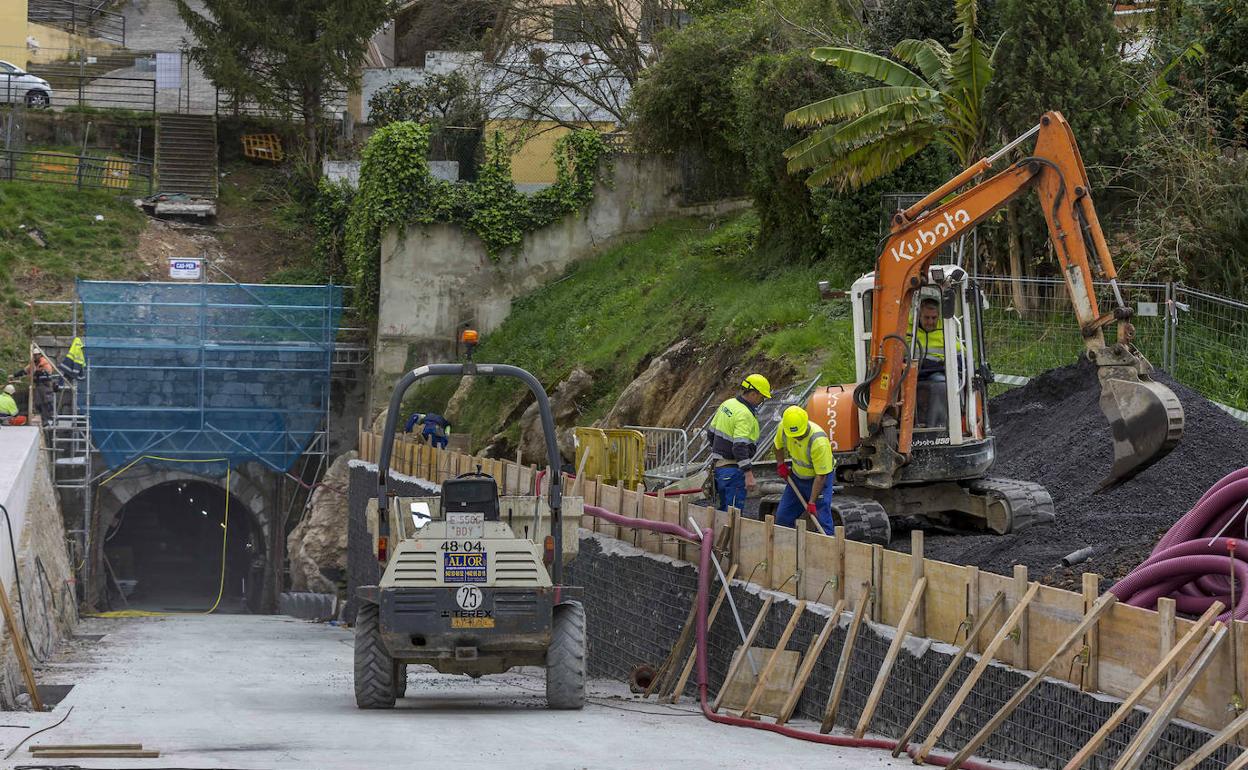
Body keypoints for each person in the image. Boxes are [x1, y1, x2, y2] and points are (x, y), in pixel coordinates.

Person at [706, 373, 770, 512]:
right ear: (753, 394)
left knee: (723, 511)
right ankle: (728, 534)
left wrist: (719, 453)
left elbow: (711, 433)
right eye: (762, 397)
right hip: (733, 470)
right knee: (733, 515)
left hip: (720, 468)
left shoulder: (728, 404)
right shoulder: (744, 414)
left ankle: (717, 534)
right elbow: (739, 446)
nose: (762, 400)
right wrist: (748, 474)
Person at [773, 406, 836, 534]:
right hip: (797, 477)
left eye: (800, 435)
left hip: (818, 480)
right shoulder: (785, 428)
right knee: (783, 517)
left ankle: (827, 548)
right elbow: (777, 445)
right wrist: (781, 464)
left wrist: (812, 502)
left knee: (821, 519)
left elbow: (821, 476)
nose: (797, 438)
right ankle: (786, 548)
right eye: (794, 436)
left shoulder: (818, 441)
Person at [910, 297, 962, 428]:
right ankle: (909, 425)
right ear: (918, 315)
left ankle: (937, 426)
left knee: (942, 384)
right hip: (911, 373)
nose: (930, 322)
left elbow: (961, 355)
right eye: (926, 318)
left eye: (934, 318)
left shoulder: (946, 330)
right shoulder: (907, 330)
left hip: (936, 373)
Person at [15, 352, 60, 424]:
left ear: (40, 355)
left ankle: (51, 419)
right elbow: (25, 371)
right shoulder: (34, 364)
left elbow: (45, 373)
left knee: (47, 403)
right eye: (34, 355)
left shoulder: (44, 363)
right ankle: (44, 420)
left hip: (46, 386)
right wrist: (15, 375)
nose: (35, 356)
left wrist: (34, 373)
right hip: (39, 386)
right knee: (38, 403)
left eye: (36, 355)